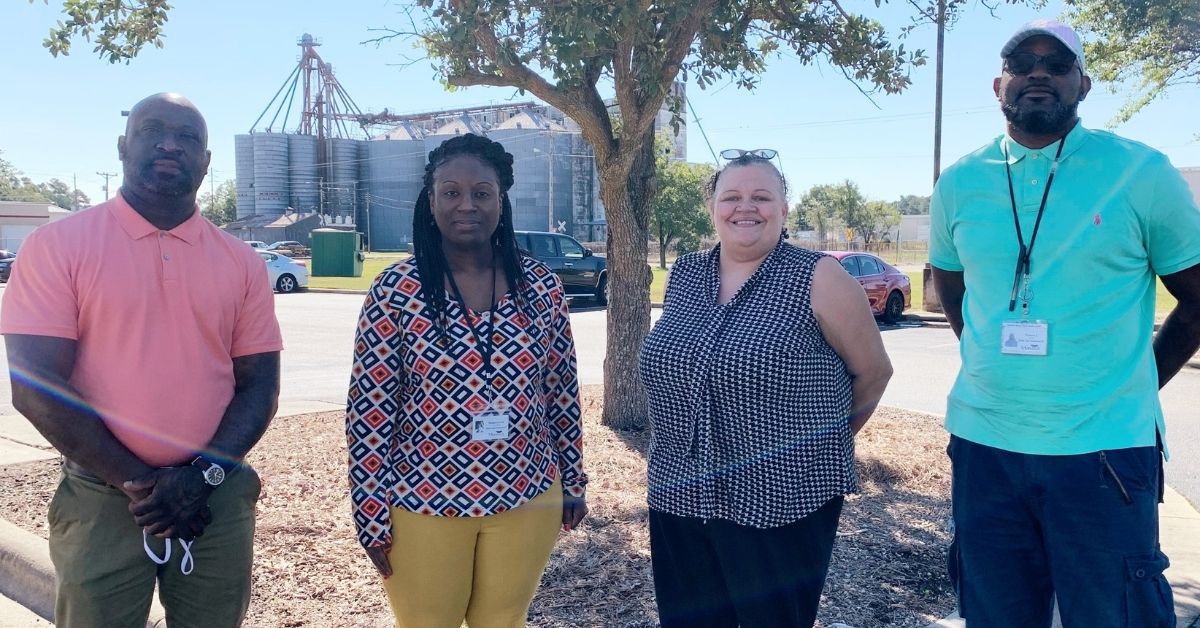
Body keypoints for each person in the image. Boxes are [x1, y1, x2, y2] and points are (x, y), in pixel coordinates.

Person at [930, 19, 1200, 627]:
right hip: (984, 449)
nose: (1038, 73)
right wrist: (985, 359)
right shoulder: (960, 182)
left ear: (1082, 82)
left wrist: (1136, 380)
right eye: (1022, 62)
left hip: (1103, 454)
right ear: (999, 83)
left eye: (1056, 63)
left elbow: (1197, 295)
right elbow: (946, 283)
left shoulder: (1142, 172)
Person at [1, 93, 282, 628]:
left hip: (214, 498)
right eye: (153, 129)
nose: (171, 143)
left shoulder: (240, 261)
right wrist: (140, 482)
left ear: (206, 161)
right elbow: (34, 384)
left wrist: (203, 475)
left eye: (189, 137)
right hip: (105, 497)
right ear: (123, 145)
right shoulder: (57, 246)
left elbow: (259, 387)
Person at [638, 149, 893, 627]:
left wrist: (813, 446)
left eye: (761, 196)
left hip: (781, 498)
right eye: (731, 196)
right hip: (679, 492)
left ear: (783, 209)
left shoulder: (819, 276)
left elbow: (874, 373)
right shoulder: (686, 275)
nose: (745, 207)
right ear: (712, 207)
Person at [345, 133, 588, 628]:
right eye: (450, 192)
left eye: (482, 193)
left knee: (504, 621)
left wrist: (574, 480)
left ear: (502, 201)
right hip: (423, 500)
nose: (466, 205)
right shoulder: (397, 289)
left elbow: (561, 392)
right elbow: (370, 413)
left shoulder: (540, 287)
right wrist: (370, 510)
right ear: (430, 201)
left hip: (528, 492)